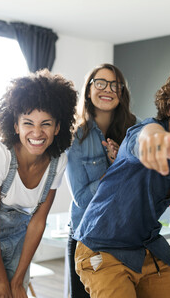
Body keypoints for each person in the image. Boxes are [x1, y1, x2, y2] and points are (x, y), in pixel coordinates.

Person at [73, 69, 170, 297]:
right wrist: (154, 138)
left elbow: (169, 189)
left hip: (147, 247)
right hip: (102, 246)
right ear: (168, 110)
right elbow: (144, 137)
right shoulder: (146, 131)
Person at [0, 69, 77, 298]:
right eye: (28, 123)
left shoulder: (58, 160)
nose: (37, 132)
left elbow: (38, 223)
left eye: (46, 124)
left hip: (13, 238)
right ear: (16, 126)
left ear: (58, 127)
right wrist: (2, 280)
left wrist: (19, 279)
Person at [65, 63, 138, 298]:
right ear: (88, 90)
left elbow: (138, 185)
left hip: (125, 234)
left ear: (122, 93)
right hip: (87, 237)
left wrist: (124, 162)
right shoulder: (75, 137)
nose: (108, 89)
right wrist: (115, 171)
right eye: (100, 83)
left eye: (115, 84)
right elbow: (82, 199)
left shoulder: (133, 131)